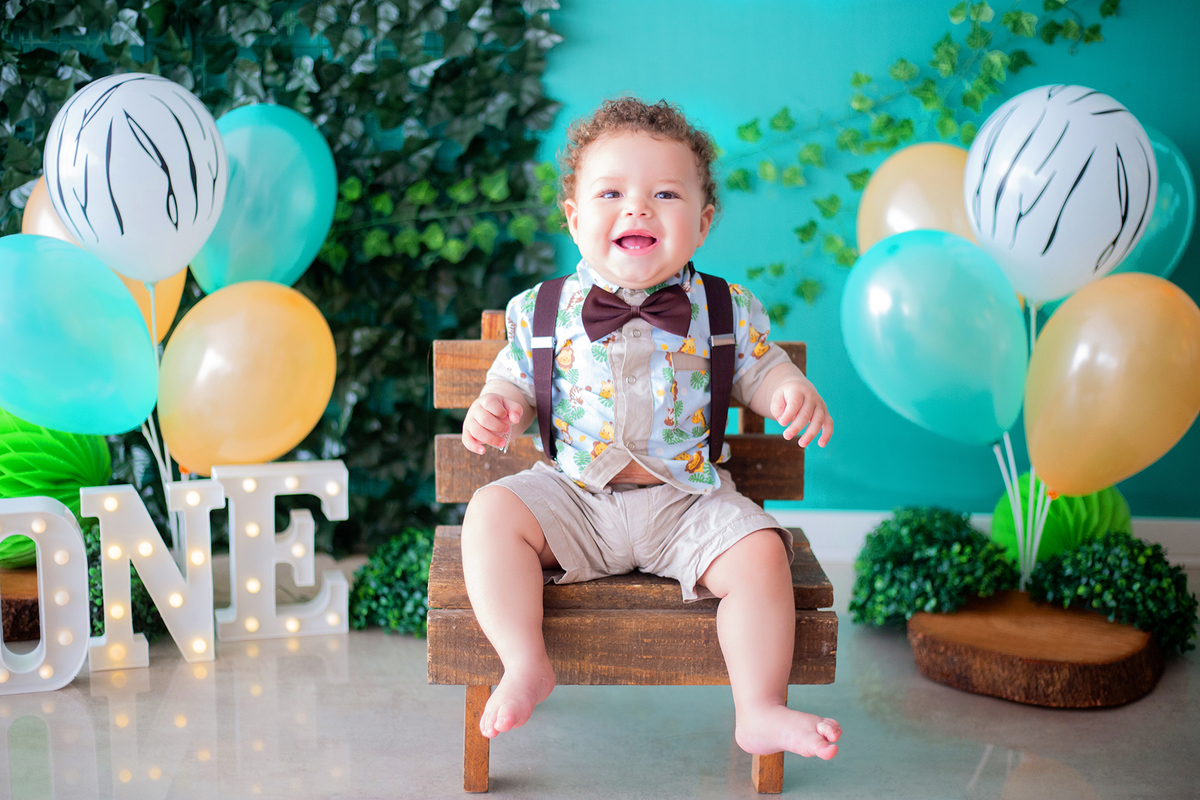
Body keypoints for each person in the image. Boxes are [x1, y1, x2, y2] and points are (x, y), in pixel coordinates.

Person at [459, 97, 840, 760]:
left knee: (760, 554)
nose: (637, 208)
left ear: (702, 223)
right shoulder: (540, 310)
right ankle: (524, 662)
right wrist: (497, 407)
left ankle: (759, 707)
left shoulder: (726, 308)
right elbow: (512, 382)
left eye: (664, 193)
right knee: (491, 512)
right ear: (576, 218)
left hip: (687, 502)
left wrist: (788, 392)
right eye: (612, 192)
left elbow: (761, 368)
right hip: (575, 497)